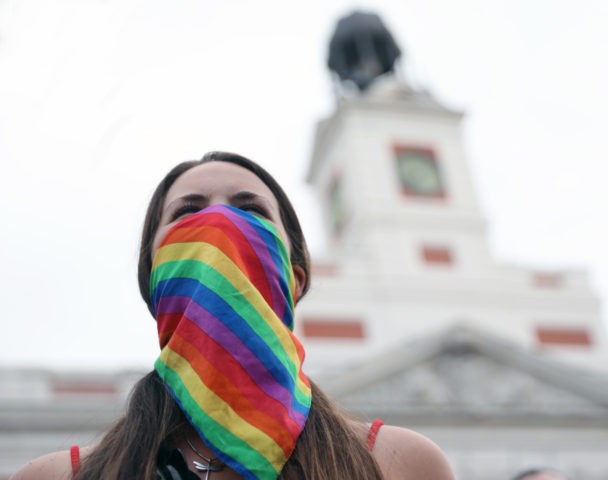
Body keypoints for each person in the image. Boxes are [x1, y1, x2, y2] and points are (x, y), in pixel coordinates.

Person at [11, 151, 455, 480]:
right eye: (188, 212)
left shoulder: (401, 463)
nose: (220, 220)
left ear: (294, 279)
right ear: (155, 280)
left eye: (250, 211)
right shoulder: (55, 476)